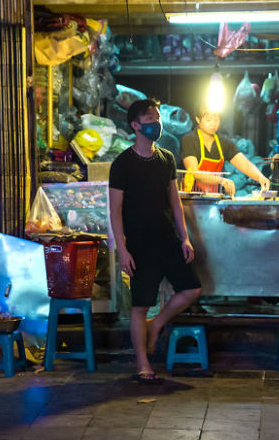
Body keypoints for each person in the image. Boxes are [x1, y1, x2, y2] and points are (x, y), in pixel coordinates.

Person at [109, 98, 203, 385]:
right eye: (150, 118)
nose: (157, 123)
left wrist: (185, 238)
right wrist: (122, 249)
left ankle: (157, 323)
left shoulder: (166, 159)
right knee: (140, 305)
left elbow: (175, 203)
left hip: (167, 239)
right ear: (136, 125)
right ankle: (143, 363)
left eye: (158, 117)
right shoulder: (122, 164)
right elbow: (114, 210)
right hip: (139, 245)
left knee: (191, 289)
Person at [180, 107, 270, 197]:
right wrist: (221, 180)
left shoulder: (224, 142)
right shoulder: (189, 140)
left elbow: (245, 164)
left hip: (213, 197)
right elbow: (195, 174)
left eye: (216, 120)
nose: (213, 124)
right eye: (208, 120)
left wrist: (260, 177)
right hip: (191, 198)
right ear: (198, 120)